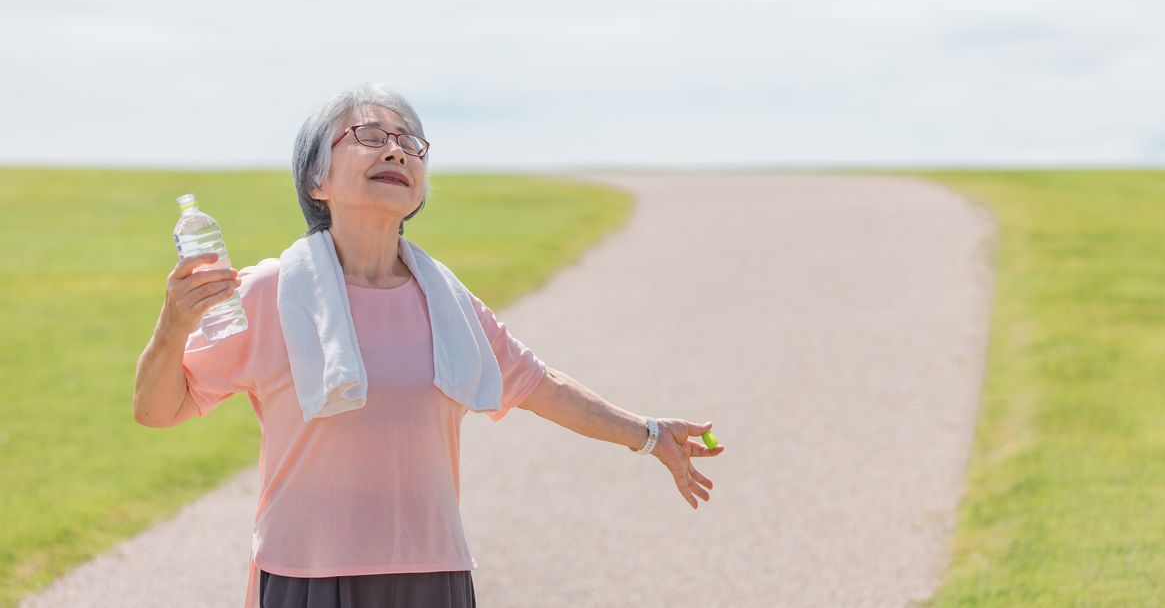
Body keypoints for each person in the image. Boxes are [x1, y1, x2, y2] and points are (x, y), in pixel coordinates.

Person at [132, 83, 725, 608]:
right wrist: (171, 327)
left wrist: (647, 434)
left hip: (433, 575)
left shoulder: (450, 304)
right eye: (367, 134)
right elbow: (159, 411)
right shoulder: (271, 293)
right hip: (307, 577)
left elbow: (541, 387)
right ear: (316, 180)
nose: (395, 149)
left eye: (410, 142)